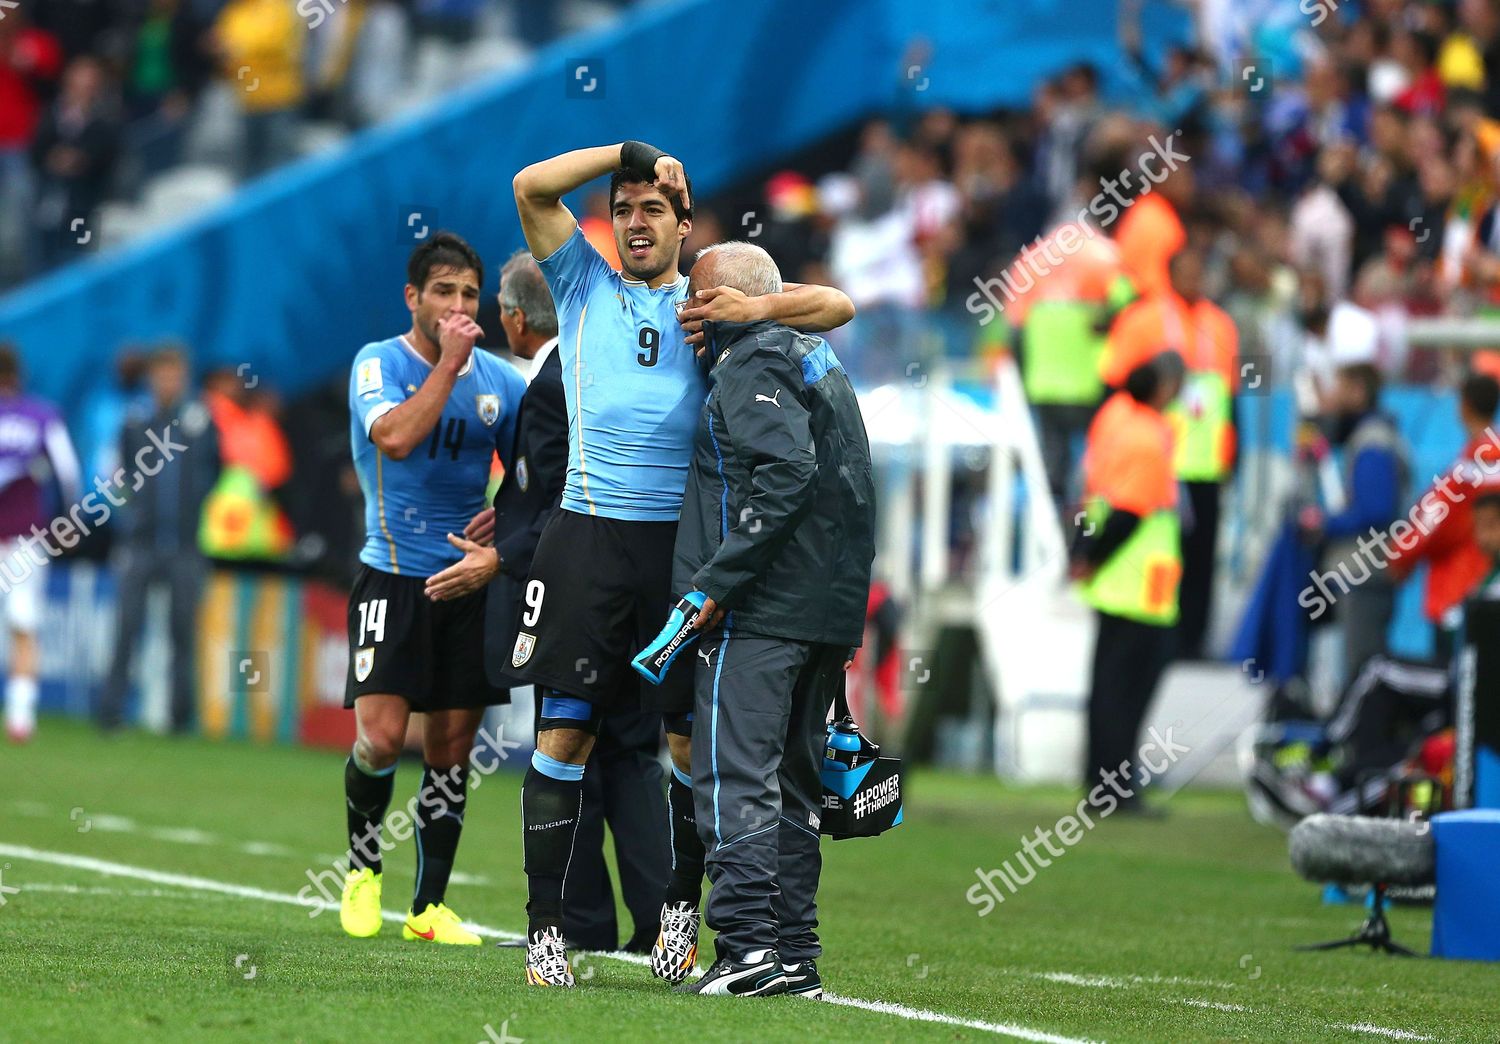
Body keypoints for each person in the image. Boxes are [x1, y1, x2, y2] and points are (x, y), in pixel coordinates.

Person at [508, 140, 854, 987]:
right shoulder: (584, 287)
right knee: (563, 737)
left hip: (682, 550)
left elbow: (838, 304)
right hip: (587, 539)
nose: (633, 222)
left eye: (650, 209)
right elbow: (530, 185)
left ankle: (676, 911)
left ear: (682, 225)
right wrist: (631, 155)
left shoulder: (710, 304)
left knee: (689, 745)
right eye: (622, 209)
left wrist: (746, 310)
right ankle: (545, 930)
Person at [426, 250, 670, 954]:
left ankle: (585, 923)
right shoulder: (610, 368)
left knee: (573, 755)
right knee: (630, 754)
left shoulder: (554, 381)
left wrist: (503, 556)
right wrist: (506, 518)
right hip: (640, 589)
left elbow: (563, 497)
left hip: (577, 596)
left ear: (512, 316)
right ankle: (656, 923)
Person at [667, 241, 875, 998]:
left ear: (719, 300)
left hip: (762, 609)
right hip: (826, 609)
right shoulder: (812, 352)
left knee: (732, 776)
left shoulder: (751, 361)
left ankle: (748, 949)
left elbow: (787, 473)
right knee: (792, 784)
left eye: (694, 296)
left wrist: (714, 585)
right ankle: (794, 957)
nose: (686, 311)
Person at [337, 232, 526, 946]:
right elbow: (393, 439)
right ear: (413, 298)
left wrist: (503, 514)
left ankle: (427, 908)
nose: (457, 306)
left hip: (467, 583)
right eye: (443, 292)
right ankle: (361, 871)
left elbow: (541, 470)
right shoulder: (378, 363)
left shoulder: (501, 382)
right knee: (383, 742)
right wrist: (448, 365)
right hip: (391, 573)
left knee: (450, 753)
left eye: (469, 294)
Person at [1104, 249, 1239, 659]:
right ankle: (1162, 634)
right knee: (1164, 552)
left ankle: (1193, 640)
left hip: (1205, 465)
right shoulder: (1143, 320)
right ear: (1169, 274)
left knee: (1203, 555)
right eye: (1188, 272)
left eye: (1202, 272)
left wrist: (1235, 452)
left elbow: (1231, 397)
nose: (1196, 280)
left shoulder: (1221, 324)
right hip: (1160, 463)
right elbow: (1117, 385)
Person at [1071, 350, 1186, 816]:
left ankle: (1101, 780)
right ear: (1163, 389)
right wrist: (1092, 558)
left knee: (1107, 687)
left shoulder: (1114, 420)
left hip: (1118, 580)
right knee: (1129, 691)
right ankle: (1116, 787)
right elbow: (1131, 511)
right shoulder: (1147, 436)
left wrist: (1083, 554)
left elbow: (1092, 493)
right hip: (1139, 583)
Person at [97, 347, 220, 733]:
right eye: (162, 374)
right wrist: (132, 514)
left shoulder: (199, 421)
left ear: (183, 377)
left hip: (185, 544)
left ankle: (181, 718)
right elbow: (117, 472)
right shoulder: (135, 420)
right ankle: (111, 712)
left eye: (174, 374)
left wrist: (194, 506)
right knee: (126, 628)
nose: (168, 382)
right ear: (153, 378)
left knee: (182, 633)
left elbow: (215, 471)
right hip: (141, 543)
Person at [1299, 362, 1410, 687]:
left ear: (1359, 392)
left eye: (1340, 389)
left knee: (1362, 673)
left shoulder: (1373, 442)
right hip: (1362, 573)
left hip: (1365, 574)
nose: (1332, 399)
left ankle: (1364, 737)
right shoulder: (1370, 438)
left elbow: (1375, 510)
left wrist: (1324, 523)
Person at [0, 344, 81, 742]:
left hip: (18, 538)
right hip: (25, 540)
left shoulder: (39, 414)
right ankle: (20, 715)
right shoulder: (41, 415)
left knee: (21, 624)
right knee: (23, 625)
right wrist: (69, 525)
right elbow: (68, 475)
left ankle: (19, 715)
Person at [1389, 372, 1500, 663]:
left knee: (1458, 694)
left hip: (1460, 592)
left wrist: (1399, 559)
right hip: (1485, 592)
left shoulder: (1468, 469)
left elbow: (1431, 523)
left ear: (1463, 407)